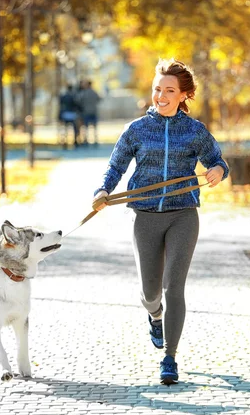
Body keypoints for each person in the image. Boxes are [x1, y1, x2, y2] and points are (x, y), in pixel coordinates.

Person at [92, 58, 229, 385]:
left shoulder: (194, 131)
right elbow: (115, 167)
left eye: (169, 90)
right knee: (150, 292)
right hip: (146, 217)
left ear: (183, 95)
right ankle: (154, 316)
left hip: (183, 215)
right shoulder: (137, 129)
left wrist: (218, 171)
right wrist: (102, 190)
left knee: (173, 288)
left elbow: (217, 160)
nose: (161, 95)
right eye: (157, 89)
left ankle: (170, 357)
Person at [79, 80, 101, 145]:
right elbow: (99, 99)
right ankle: (95, 140)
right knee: (94, 127)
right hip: (94, 111)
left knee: (86, 127)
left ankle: (86, 140)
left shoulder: (84, 93)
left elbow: (78, 100)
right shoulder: (94, 92)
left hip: (86, 112)